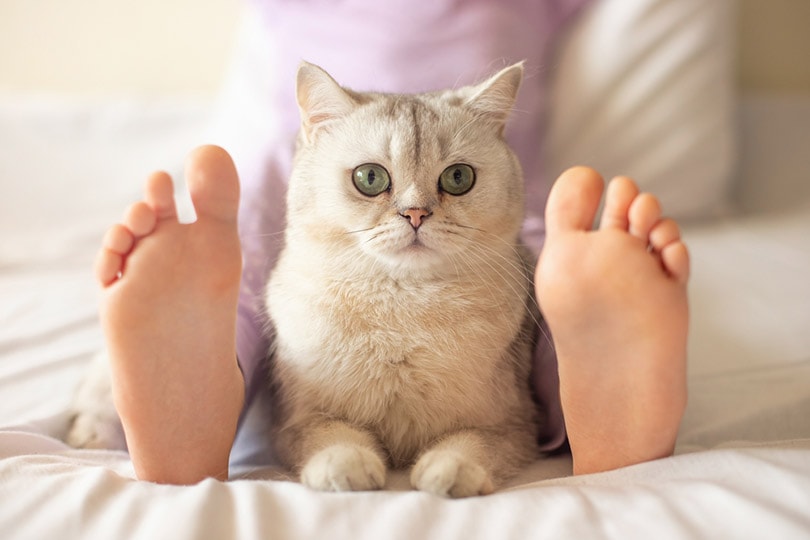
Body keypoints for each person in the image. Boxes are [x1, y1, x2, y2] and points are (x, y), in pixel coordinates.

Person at [93, 0, 689, 484]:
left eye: (444, 188)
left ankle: (599, 385)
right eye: (387, 191)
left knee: (548, 268)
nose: (416, 212)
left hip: (478, 149)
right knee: (247, 246)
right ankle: (199, 385)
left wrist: (450, 182)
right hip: (327, 147)